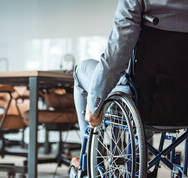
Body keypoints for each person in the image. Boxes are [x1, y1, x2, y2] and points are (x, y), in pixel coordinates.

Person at [71, 0, 188, 169]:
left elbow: (116, 56)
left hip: (142, 100)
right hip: (181, 103)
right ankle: (141, 154)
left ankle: (92, 158)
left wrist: (95, 102)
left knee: (81, 69)